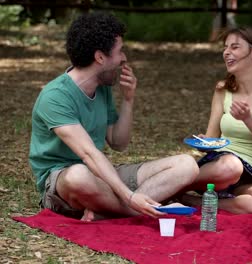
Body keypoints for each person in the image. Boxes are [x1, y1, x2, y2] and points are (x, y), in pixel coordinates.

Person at [28, 12, 199, 221]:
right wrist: (129, 196)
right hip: (62, 181)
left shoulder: (102, 88)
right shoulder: (55, 96)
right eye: (120, 51)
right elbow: (89, 154)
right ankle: (135, 209)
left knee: (186, 165)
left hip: (102, 174)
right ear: (100, 57)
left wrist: (128, 100)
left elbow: (118, 143)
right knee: (78, 175)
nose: (124, 58)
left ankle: (108, 212)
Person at [182, 27, 252, 214]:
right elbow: (212, 137)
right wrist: (204, 142)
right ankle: (174, 184)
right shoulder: (223, 89)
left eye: (235, 47)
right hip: (223, 167)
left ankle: (190, 200)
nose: (227, 52)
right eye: (225, 48)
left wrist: (248, 118)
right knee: (231, 167)